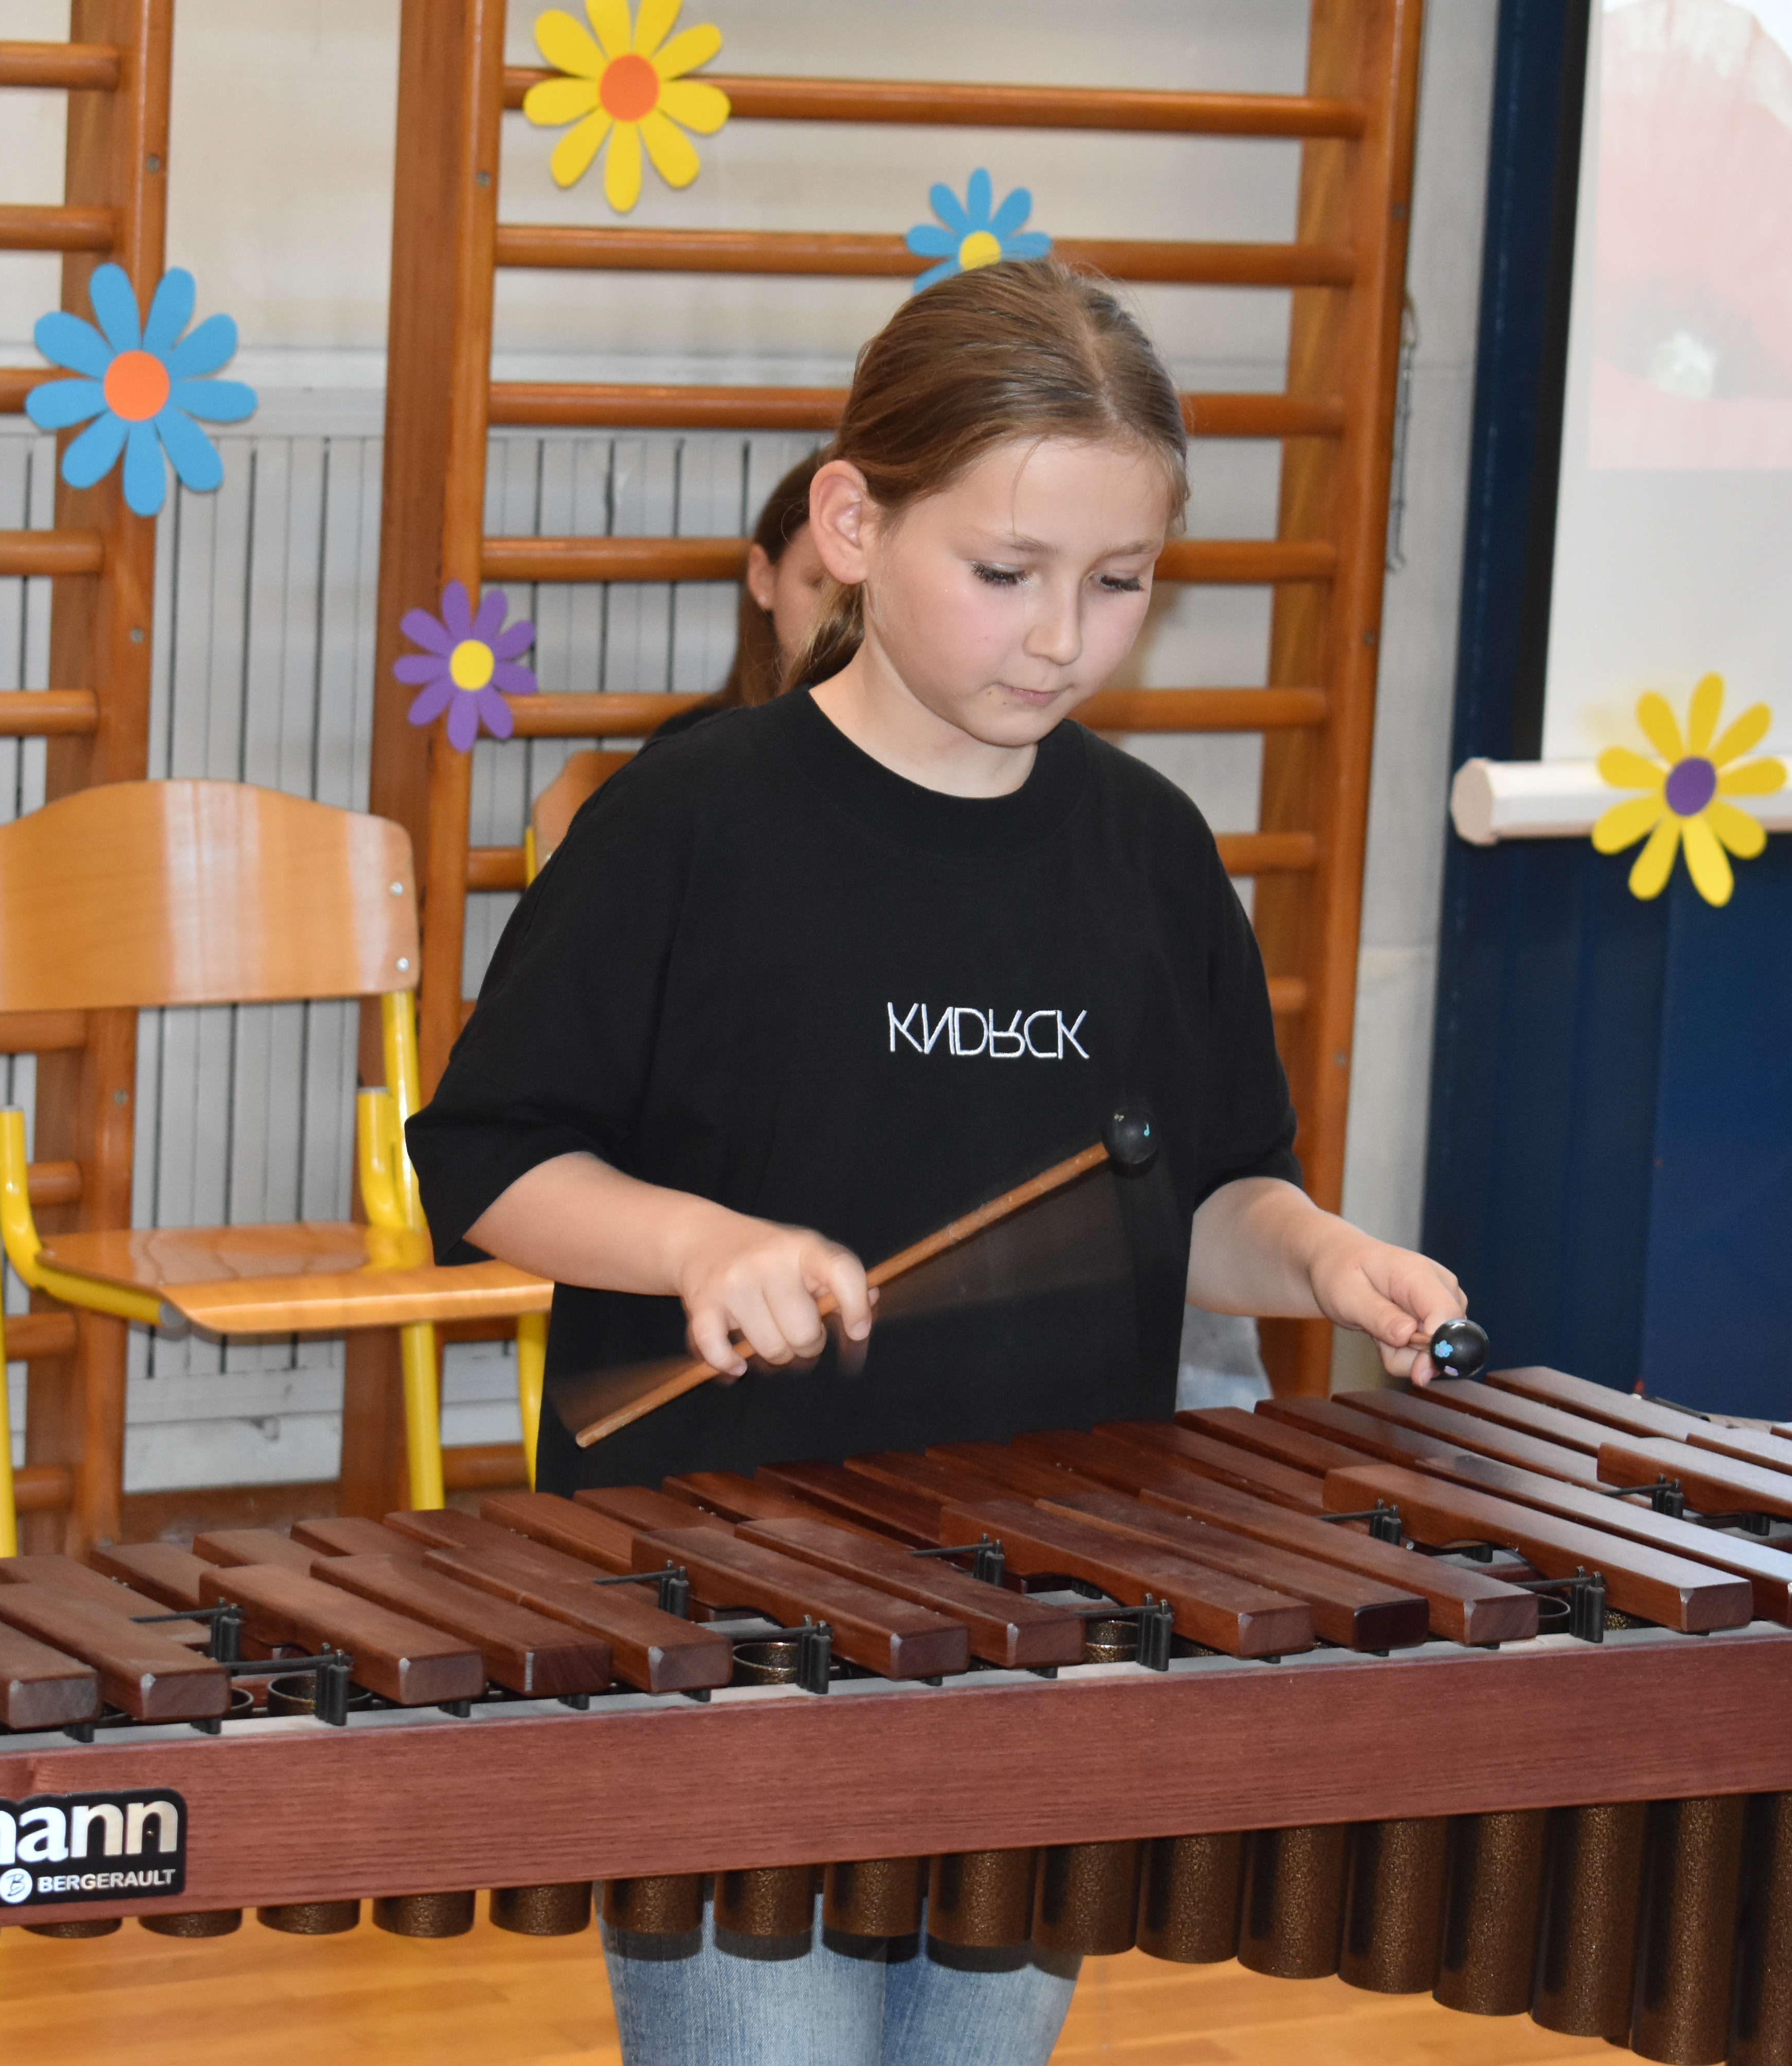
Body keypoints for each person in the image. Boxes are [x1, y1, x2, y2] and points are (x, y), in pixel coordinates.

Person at [406, 260, 1466, 2066]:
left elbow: (1201, 1195)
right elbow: (489, 1157)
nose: (1061, 637)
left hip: (1043, 1614)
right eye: (1006, 573)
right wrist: (693, 1243)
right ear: (852, 523)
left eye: (1119, 583)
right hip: (725, 1615)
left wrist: (1316, 1258)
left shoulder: (1149, 854)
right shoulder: (683, 824)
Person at [659, 450, 838, 741]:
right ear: (764, 579)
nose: (851, 616)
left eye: (870, 594)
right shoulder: (692, 746)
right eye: (823, 586)